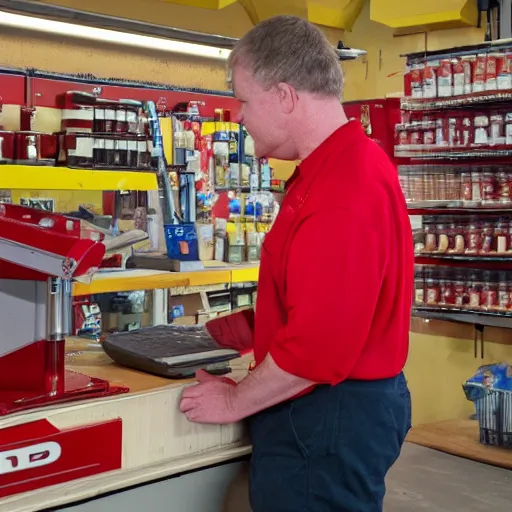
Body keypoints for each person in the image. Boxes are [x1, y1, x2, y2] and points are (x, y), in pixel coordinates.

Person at [179, 14, 413, 512]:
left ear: (285, 96)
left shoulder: (342, 188)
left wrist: (235, 401)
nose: (238, 117)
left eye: (243, 100)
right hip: (336, 411)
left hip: (326, 417)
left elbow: (317, 349)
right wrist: (235, 330)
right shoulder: (335, 170)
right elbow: (322, 301)